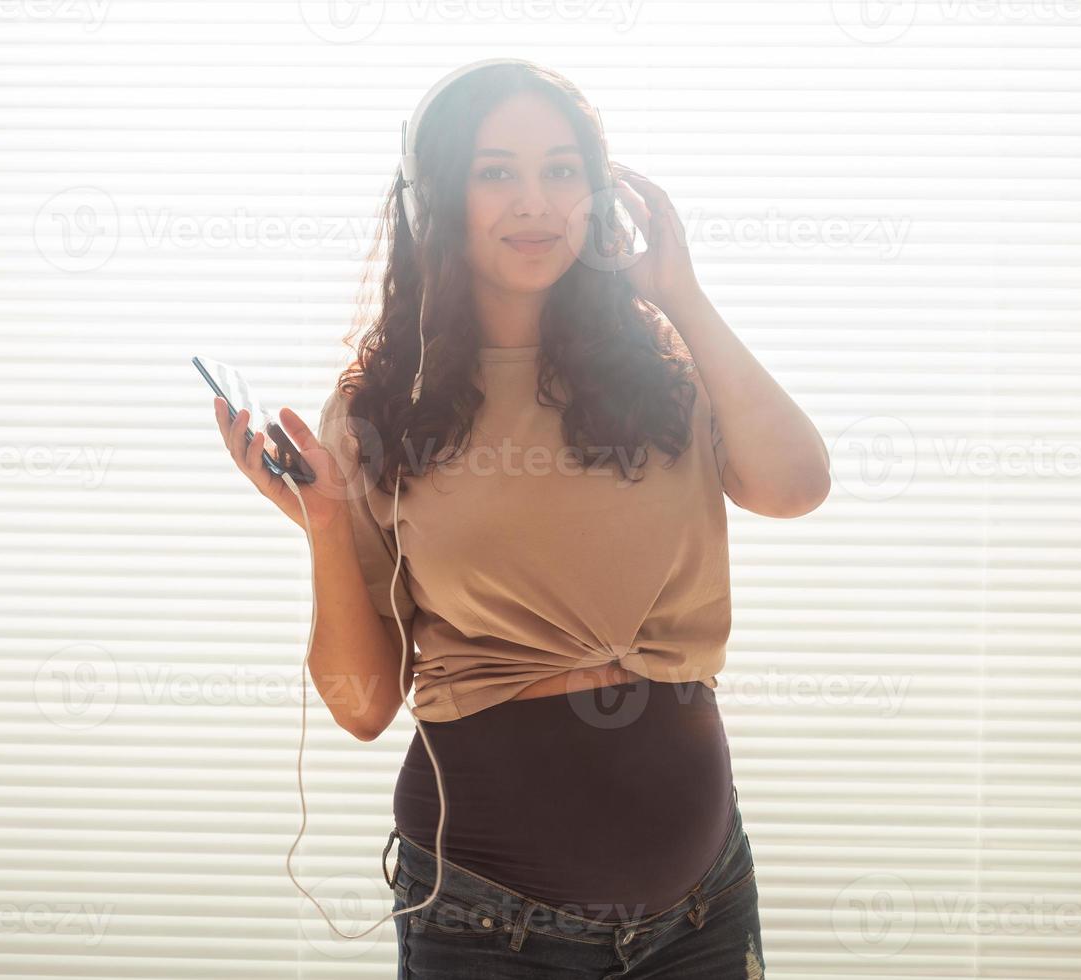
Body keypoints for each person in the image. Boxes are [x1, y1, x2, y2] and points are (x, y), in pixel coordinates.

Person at [212, 59, 829, 978]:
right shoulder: (380, 409)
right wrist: (327, 530)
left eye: (562, 169)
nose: (534, 201)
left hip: (703, 907)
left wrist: (685, 296)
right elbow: (361, 707)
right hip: (485, 927)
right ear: (435, 199)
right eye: (495, 171)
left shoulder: (665, 366)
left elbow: (796, 485)